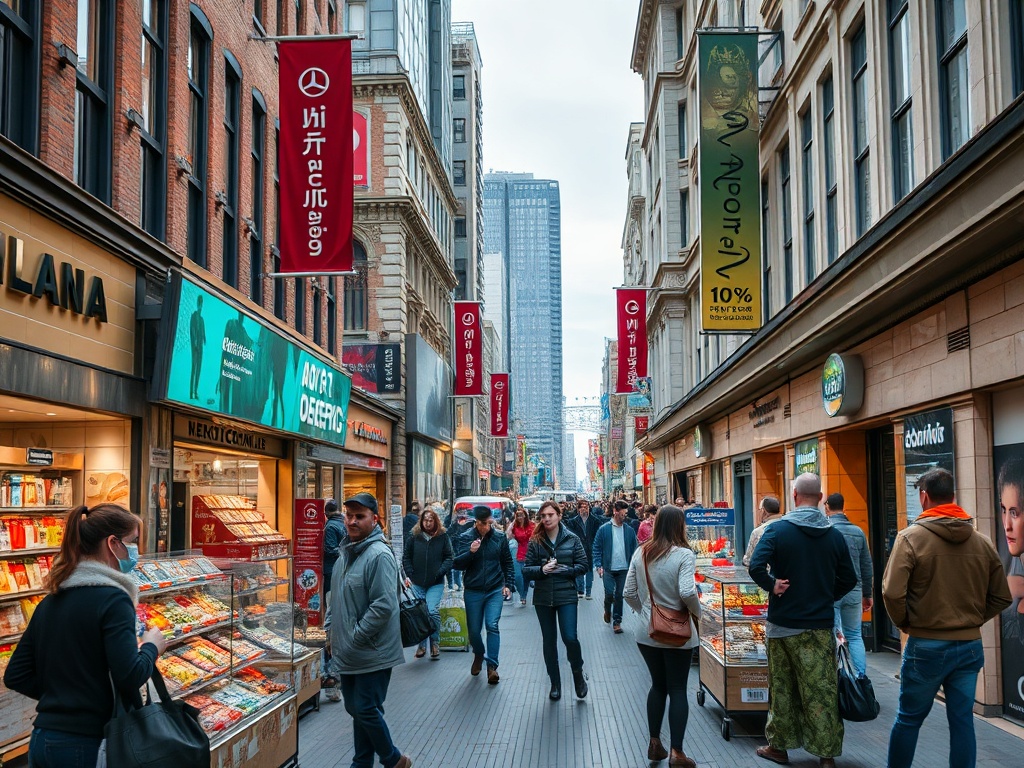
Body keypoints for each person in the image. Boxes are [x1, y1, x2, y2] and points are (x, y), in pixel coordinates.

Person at [4, 504, 168, 768]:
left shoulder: (51, 600)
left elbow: (16, 675)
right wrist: (152, 648)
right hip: (88, 743)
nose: (137, 550)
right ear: (112, 543)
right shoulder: (114, 600)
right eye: (133, 541)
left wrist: (62, 700)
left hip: (43, 739)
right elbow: (130, 676)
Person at [882, 468, 1011, 768]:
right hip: (968, 647)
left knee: (908, 720)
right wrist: (974, 619)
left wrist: (906, 623)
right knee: (962, 721)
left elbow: (891, 592)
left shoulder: (911, 538)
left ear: (924, 497)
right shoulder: (981, 542)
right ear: (953, 496)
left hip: (925, 646)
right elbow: (1002, 596)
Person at [748, 473, 857, 768]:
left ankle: (779, 748)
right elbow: (850, 577)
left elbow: (756, 566)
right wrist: (825, 594)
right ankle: (826, 756)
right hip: (819, 626)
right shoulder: (834, 534)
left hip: (783, 624)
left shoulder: (777, 530)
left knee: (782, 687)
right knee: (820, 689)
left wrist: (773, 586)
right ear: (821, 498)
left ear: (794, 495)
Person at [329, 492, 411, 768]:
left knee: (363, 707)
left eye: (359, 517)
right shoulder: (346, 553)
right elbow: (336, 596)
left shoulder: (378, 555)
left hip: (372, 649)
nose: (352, 521)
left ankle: (392, 758)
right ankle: (362, 762)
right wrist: (331, 630)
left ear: (375, 520)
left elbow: (384, 605)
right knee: (358, 708)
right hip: (349, 648)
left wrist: (356, 636)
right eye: (348, 516)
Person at [624, 504, 702, 767]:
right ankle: (677, 753)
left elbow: (628, 593)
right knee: (678, 688)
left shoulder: (642, 551)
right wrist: (698, 615)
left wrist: (646, 612)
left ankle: (655, 743)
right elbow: (688, 592)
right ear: (680, 526)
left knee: (658, 685)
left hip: (647, 633)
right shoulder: (683, 554)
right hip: (678, 632)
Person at [522, 501, 590, 701]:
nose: (547, 519)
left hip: (566, 594)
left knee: (570, 637)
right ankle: (555, 683)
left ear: (559, 516)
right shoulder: (536, 541)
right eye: (543, 516)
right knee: (549, 641)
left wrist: (566, 571)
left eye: (550, 514)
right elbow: (526, 569)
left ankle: (577, 672)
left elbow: (584, 564)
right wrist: (541, 570)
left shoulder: (572, 538)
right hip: (543, 597)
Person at [453, 505, 515, 684]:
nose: (486, 527)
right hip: (473, 590)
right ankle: (479, 653)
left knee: (492, 625)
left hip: (494, 589)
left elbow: (507, 562)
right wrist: (470, 552)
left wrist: (508, 584)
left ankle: (492, 666)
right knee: (473, 631)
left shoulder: (499, 537)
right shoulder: (466, 538)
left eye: (489, 523)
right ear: (475, 522)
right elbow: (457, 564)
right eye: (482, 524)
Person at [824, 493, 873, 678]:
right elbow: (866, 566)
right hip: (854, 590)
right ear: (844, 507)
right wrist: (867, 594)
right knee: (854, 635)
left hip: (832, 591)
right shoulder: (858, 532)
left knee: (832, 634)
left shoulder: (826, 530)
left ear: (827, 506)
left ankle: (837, 679)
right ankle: (860, 678)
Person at [402, 507, 453, 660]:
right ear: (421, 521)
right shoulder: (414, 536)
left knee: (432, 611)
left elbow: (449, 557)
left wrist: (440, 571)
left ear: (435, 521)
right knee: (420, 613)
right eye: (426, 520)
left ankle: (434, 642)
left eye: (431, 520)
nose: (428, 523)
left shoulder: (442, 536)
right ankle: (422, 645)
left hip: (435, 582)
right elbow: (406, 557)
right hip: (417, 582)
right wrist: (410, 573)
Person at [593, 500, 639, 634]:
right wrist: (598, 564)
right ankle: (607, 610)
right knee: (609, 594)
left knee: (619, 595)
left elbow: (635, 550)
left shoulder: (629, 530)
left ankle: (617, 621)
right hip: (608, 568)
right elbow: (596, 547)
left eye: (626, 513)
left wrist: (635, 567)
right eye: (623, 513)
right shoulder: (604, 529)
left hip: (624, 569)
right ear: (615, 512)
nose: (625, 516)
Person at [321, 497, 346, 699]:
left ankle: (332, 677)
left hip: (332, 576)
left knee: (330, 625)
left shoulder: (330, 527)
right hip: (339, 576)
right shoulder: (342, 524)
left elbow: (331, 549)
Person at [565, 497, 604, 600]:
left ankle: (589, 591)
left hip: (590, 548)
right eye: (581, 507)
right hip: (578, 549)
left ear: (588, 508)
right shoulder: (573, 522)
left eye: (585, 507)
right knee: (579, 569)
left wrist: (597, 546)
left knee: (589, 570)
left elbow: (598, 534)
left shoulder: (595, 520)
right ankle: (580, 590)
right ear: (578, 509)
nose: (583, 509)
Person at [742, 496, 782, 567]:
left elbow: (748, 560)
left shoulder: (758, 531)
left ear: (764, 511)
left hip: (768, 574)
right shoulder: (790, 527)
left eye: (760, 509)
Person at [506, 506, 535, 606]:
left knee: (526, 576)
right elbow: (508, 535)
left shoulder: (531, 525)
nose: (520, 517)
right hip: (518, 552)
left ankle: (524, 596)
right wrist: (513, 522)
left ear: (525, 516)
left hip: (530, 552)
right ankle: (522, 593)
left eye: (521, 515)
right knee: (518, 576)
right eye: (518, 515)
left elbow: (535, 536)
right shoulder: (515, 526)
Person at [446, 508, 473, 590]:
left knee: (460, 568)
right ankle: (452, 584)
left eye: (464, 512)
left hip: (463, 548)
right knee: (452, 566)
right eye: (460, 512)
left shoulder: (470, 523)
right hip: (453, 548)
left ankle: (459, 584)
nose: (462, 514)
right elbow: (448, 534)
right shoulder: (452, 522)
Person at [189, 293, 205, 400]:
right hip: (195, 346)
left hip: (200, 346)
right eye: (199, 302)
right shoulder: (194, 316)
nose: (200, 305)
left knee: (199, 369)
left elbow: (203, 333)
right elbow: (192, 331)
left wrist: (204, 339)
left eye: (201, 303)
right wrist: (194, 343)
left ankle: (196, 391)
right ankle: (191, 392)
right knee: (194, 368)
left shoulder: (202, 318)